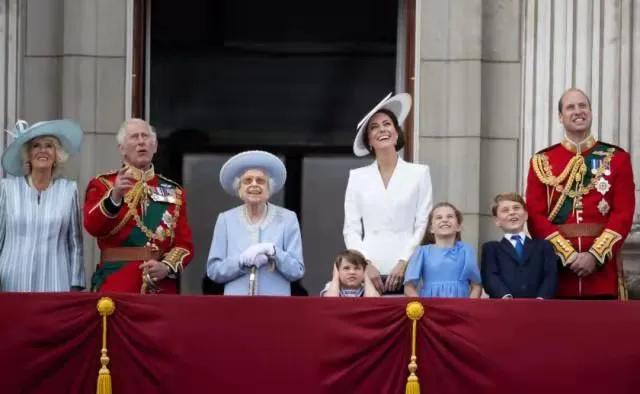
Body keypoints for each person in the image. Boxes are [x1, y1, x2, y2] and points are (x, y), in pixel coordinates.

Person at [526, 88, 635, 299]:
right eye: (570, 107)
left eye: (582, 106)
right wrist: (567, 255)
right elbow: (535, 216)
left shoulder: (617, 159)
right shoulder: (542, 161)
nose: (578, 111)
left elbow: (623, 214)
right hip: (558, 275)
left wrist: (595, 255)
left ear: (591, 112)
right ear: (560, 117)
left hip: (602, 274)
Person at [84, 118, 194, 293]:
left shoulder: (174, 191)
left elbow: (184, 244)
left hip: (161, 287)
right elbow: (92, 226)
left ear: (155, 146)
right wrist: (116, 195)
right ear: (122, 149)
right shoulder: (103, 184)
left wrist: (166, 267)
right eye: (134, 137)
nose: (141, 141)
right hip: (117, 283)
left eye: (146, 136)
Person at [344, 93, 433, 295]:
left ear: (396, 132)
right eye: (374, 127)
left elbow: (422, 223)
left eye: (387, 124)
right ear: (369, 140)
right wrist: (365, 263)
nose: (382, 129)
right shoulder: (357, 177)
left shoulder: (419, 173)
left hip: (410, 266)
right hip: (370, 267)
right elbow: (351, 229)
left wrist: (404, 262)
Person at [0, 119, 85, 291]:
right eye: (36, 145)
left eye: (49, 145)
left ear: (56, 155)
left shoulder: (68, 190)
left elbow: (75, 243)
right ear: (28, 155)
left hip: (56, 282)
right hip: (12, 282)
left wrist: (76, 284)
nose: (43, 150)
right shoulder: (7, 189)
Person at [206, 150, 304, 295]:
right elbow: (214, 271)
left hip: (275, 305)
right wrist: (240, 261)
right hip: (236, 306)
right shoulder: (226, 219)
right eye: (247, 180)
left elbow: (297, 271)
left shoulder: (287, 219)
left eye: (260, 180)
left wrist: (274, 252)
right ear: (239, 188)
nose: (254, 185)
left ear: (268, 188)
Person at [480, 193, 557, 299]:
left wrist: (541, 298)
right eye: (505, 210)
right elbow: (490, 277)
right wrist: (505, 296)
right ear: (497, 221)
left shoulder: (543, 246)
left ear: (525, 215)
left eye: (516, 208)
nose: (512, 212)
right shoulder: (491, 248)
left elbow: (550, 276)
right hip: (504, 308)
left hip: (538, 307)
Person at [404, 202, 482, 298]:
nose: (445, 220)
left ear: (458, 227)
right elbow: (409, 287)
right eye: (439, 217)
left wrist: (469, 307)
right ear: (431, 228)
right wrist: (421, 306)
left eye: (450, 216)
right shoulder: (422, 252)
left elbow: (476, 286)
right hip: (430, 307)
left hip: (461, 307)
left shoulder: (467, 250)